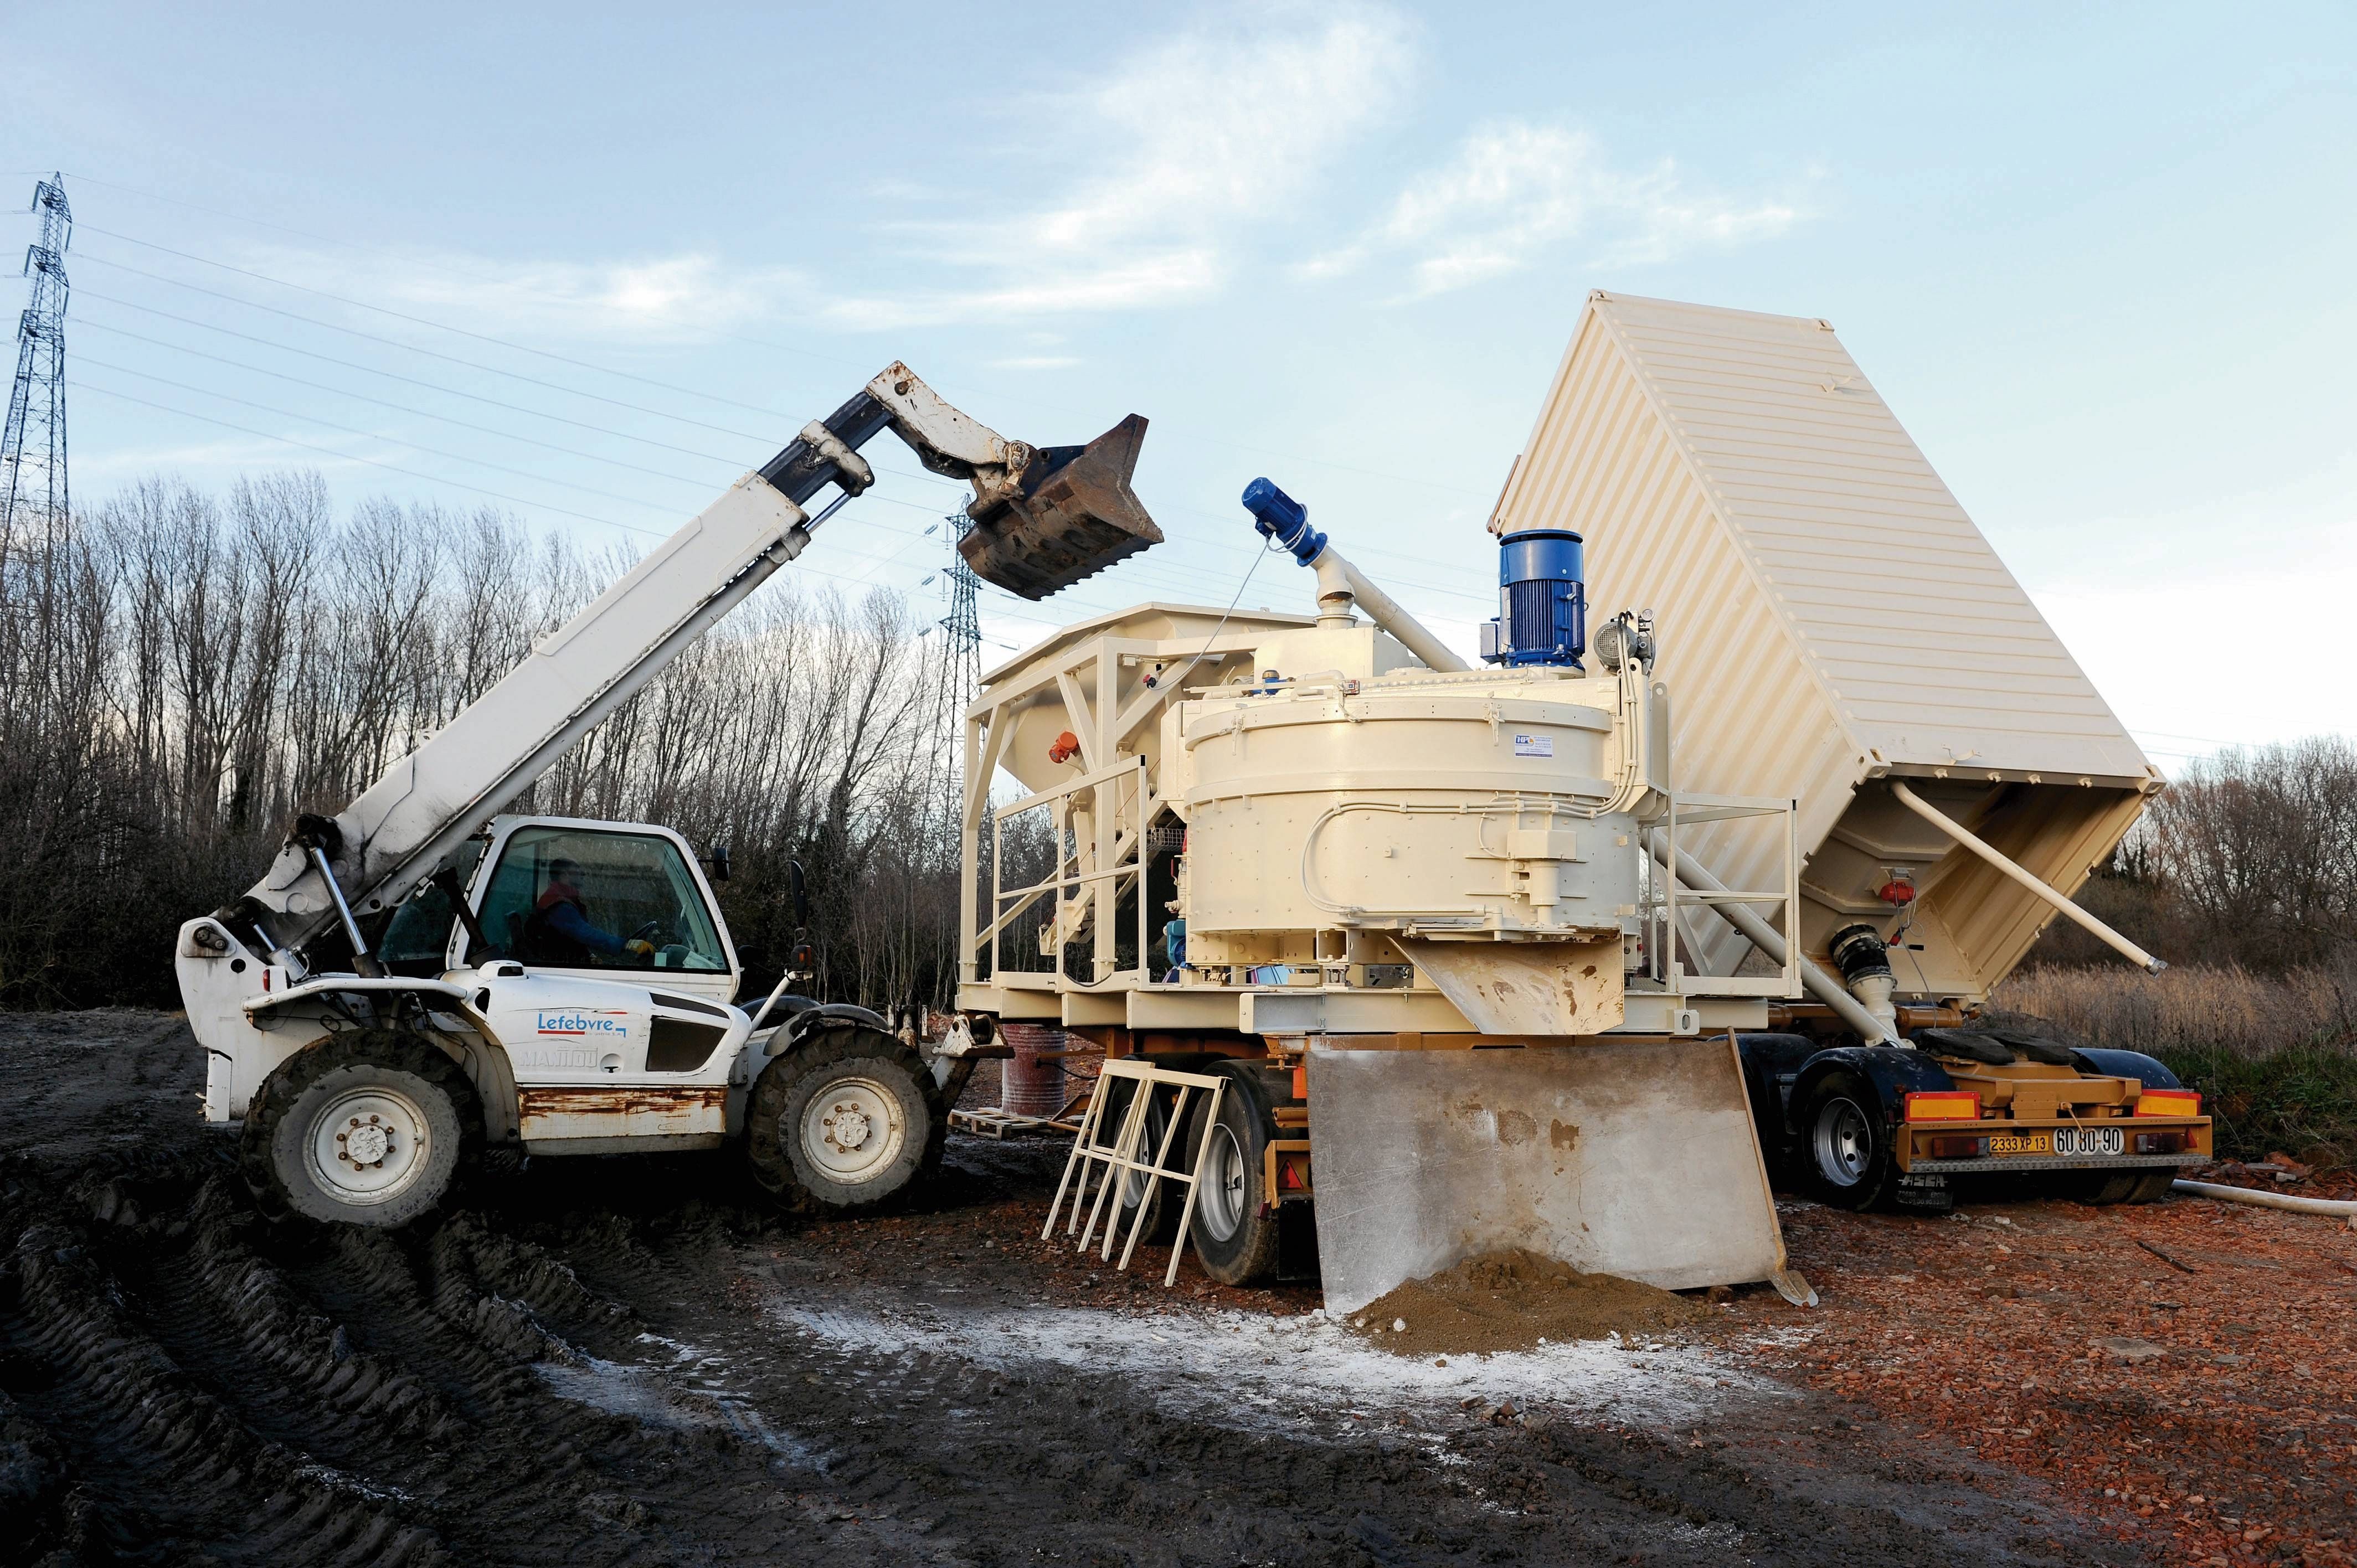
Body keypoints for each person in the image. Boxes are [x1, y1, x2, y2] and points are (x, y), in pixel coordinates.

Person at [520, 857, 656, 967]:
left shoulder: (561, 898)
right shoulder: (558, 904)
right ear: (565, 874)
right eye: (578, 872)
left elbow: (572, 938)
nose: (582, 875)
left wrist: (588, 955)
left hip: (561, 964)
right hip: (558, 970)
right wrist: (627, 944)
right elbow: (585, 933)